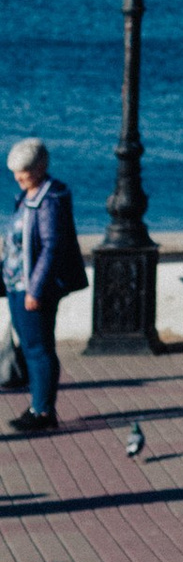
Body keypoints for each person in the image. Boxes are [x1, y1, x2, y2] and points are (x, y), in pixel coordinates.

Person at [3, 142, 85, 433]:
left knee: (39, 348)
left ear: (40, 167)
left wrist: (35, 290)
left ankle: (43, 411)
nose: (17, 177)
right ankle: (37, 404)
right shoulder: (27, 195)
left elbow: (52, 247)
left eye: (23, 172)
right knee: (28, 346)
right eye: (14, 172)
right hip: (15, 283)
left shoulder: (50, 199)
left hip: (32, 288)